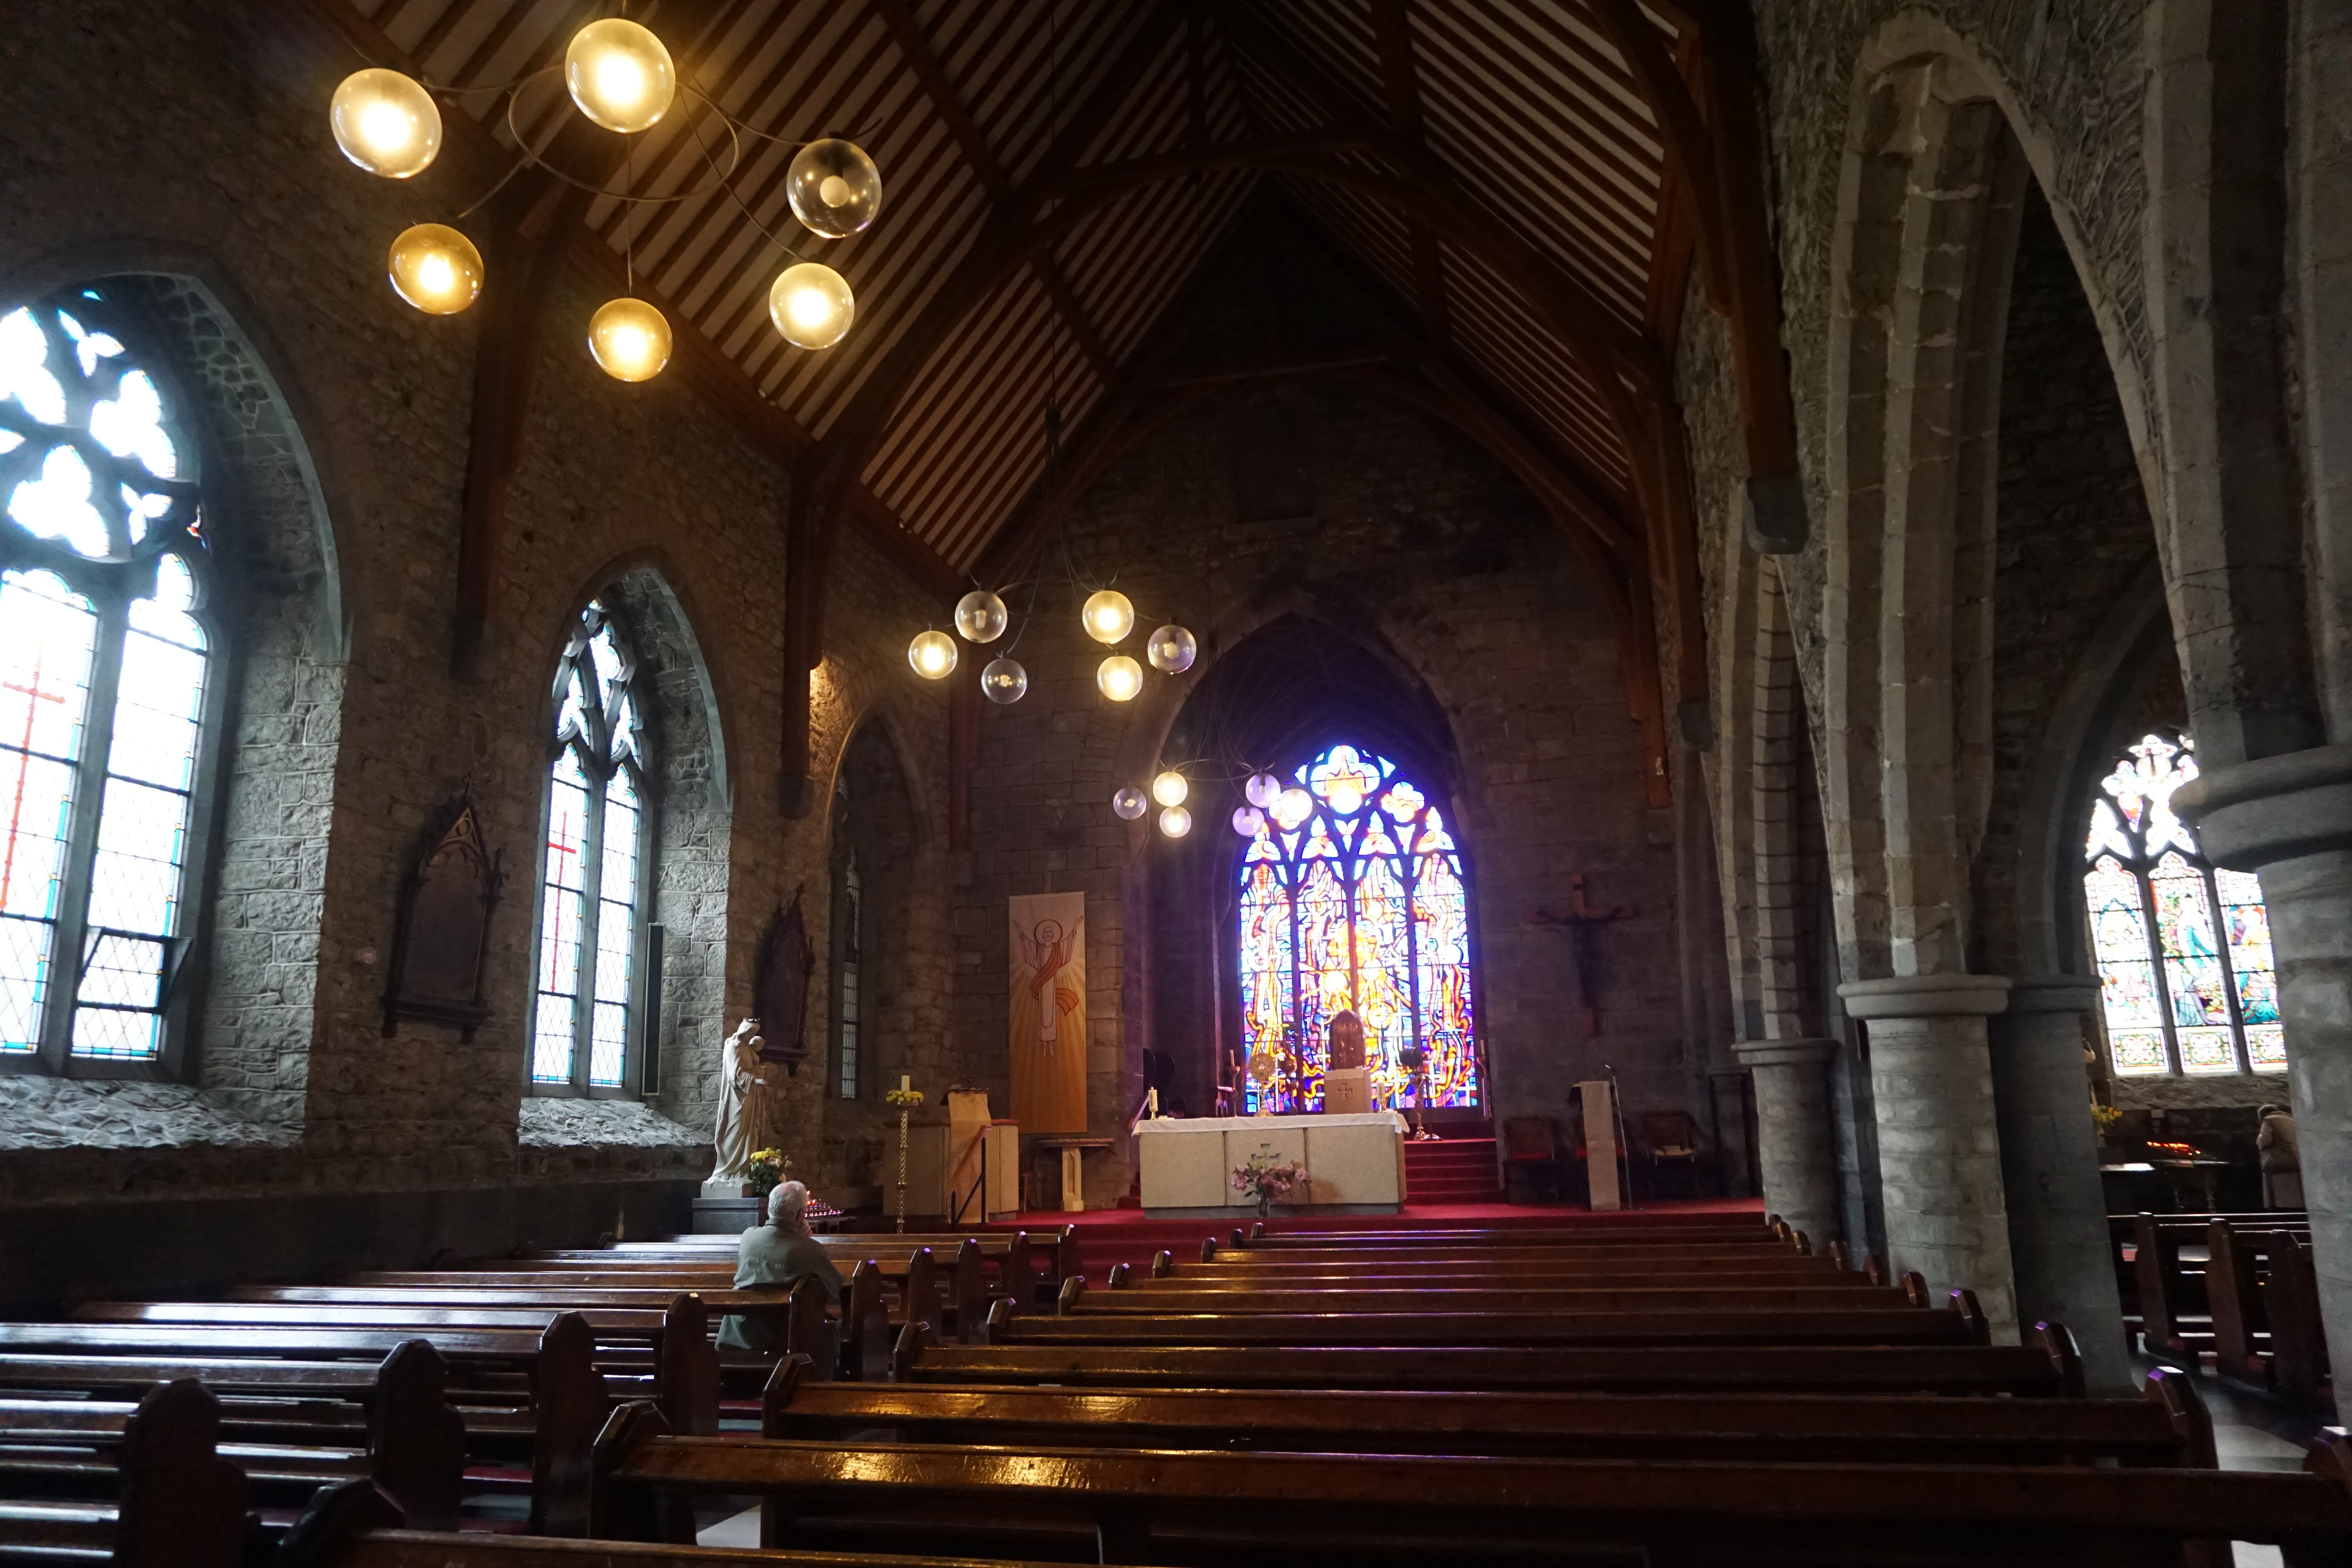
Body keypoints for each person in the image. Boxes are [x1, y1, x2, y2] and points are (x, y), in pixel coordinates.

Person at [715, 1180, 844, 1352]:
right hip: (783, 1339)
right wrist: (804, 1241)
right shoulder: (809, 1249)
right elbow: (835, 1286)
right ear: (801, 1215)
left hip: (738, 1334)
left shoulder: (748, 1236)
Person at [2257, 1104, 2303, 1210]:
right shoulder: (2292, 1120)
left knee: (2272, 1176)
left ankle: (2277, 1208)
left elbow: (2265, 1141)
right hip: (2297, 1159)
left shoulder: (2269, 1121)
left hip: (2279, 1160)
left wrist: (2259, 1141)